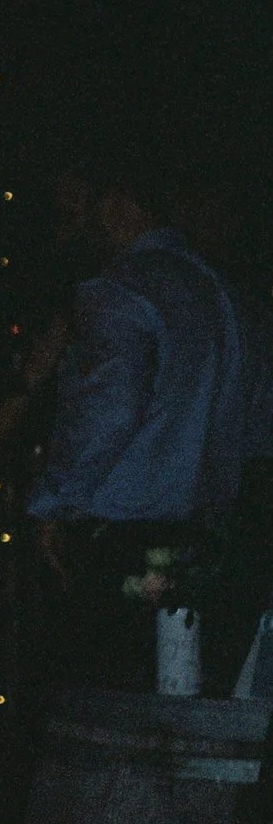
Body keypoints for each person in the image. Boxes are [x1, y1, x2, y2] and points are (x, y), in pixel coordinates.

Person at [28, 159, 273, 687]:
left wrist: (51, 506)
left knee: (105, 710)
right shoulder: (233, 297)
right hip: (212, 547)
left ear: (116, 203)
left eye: (73, 206)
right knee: (185, 714)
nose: (67, 223)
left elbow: (105, 412)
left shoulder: (120, 290)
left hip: (122, 547)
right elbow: (259, 433)